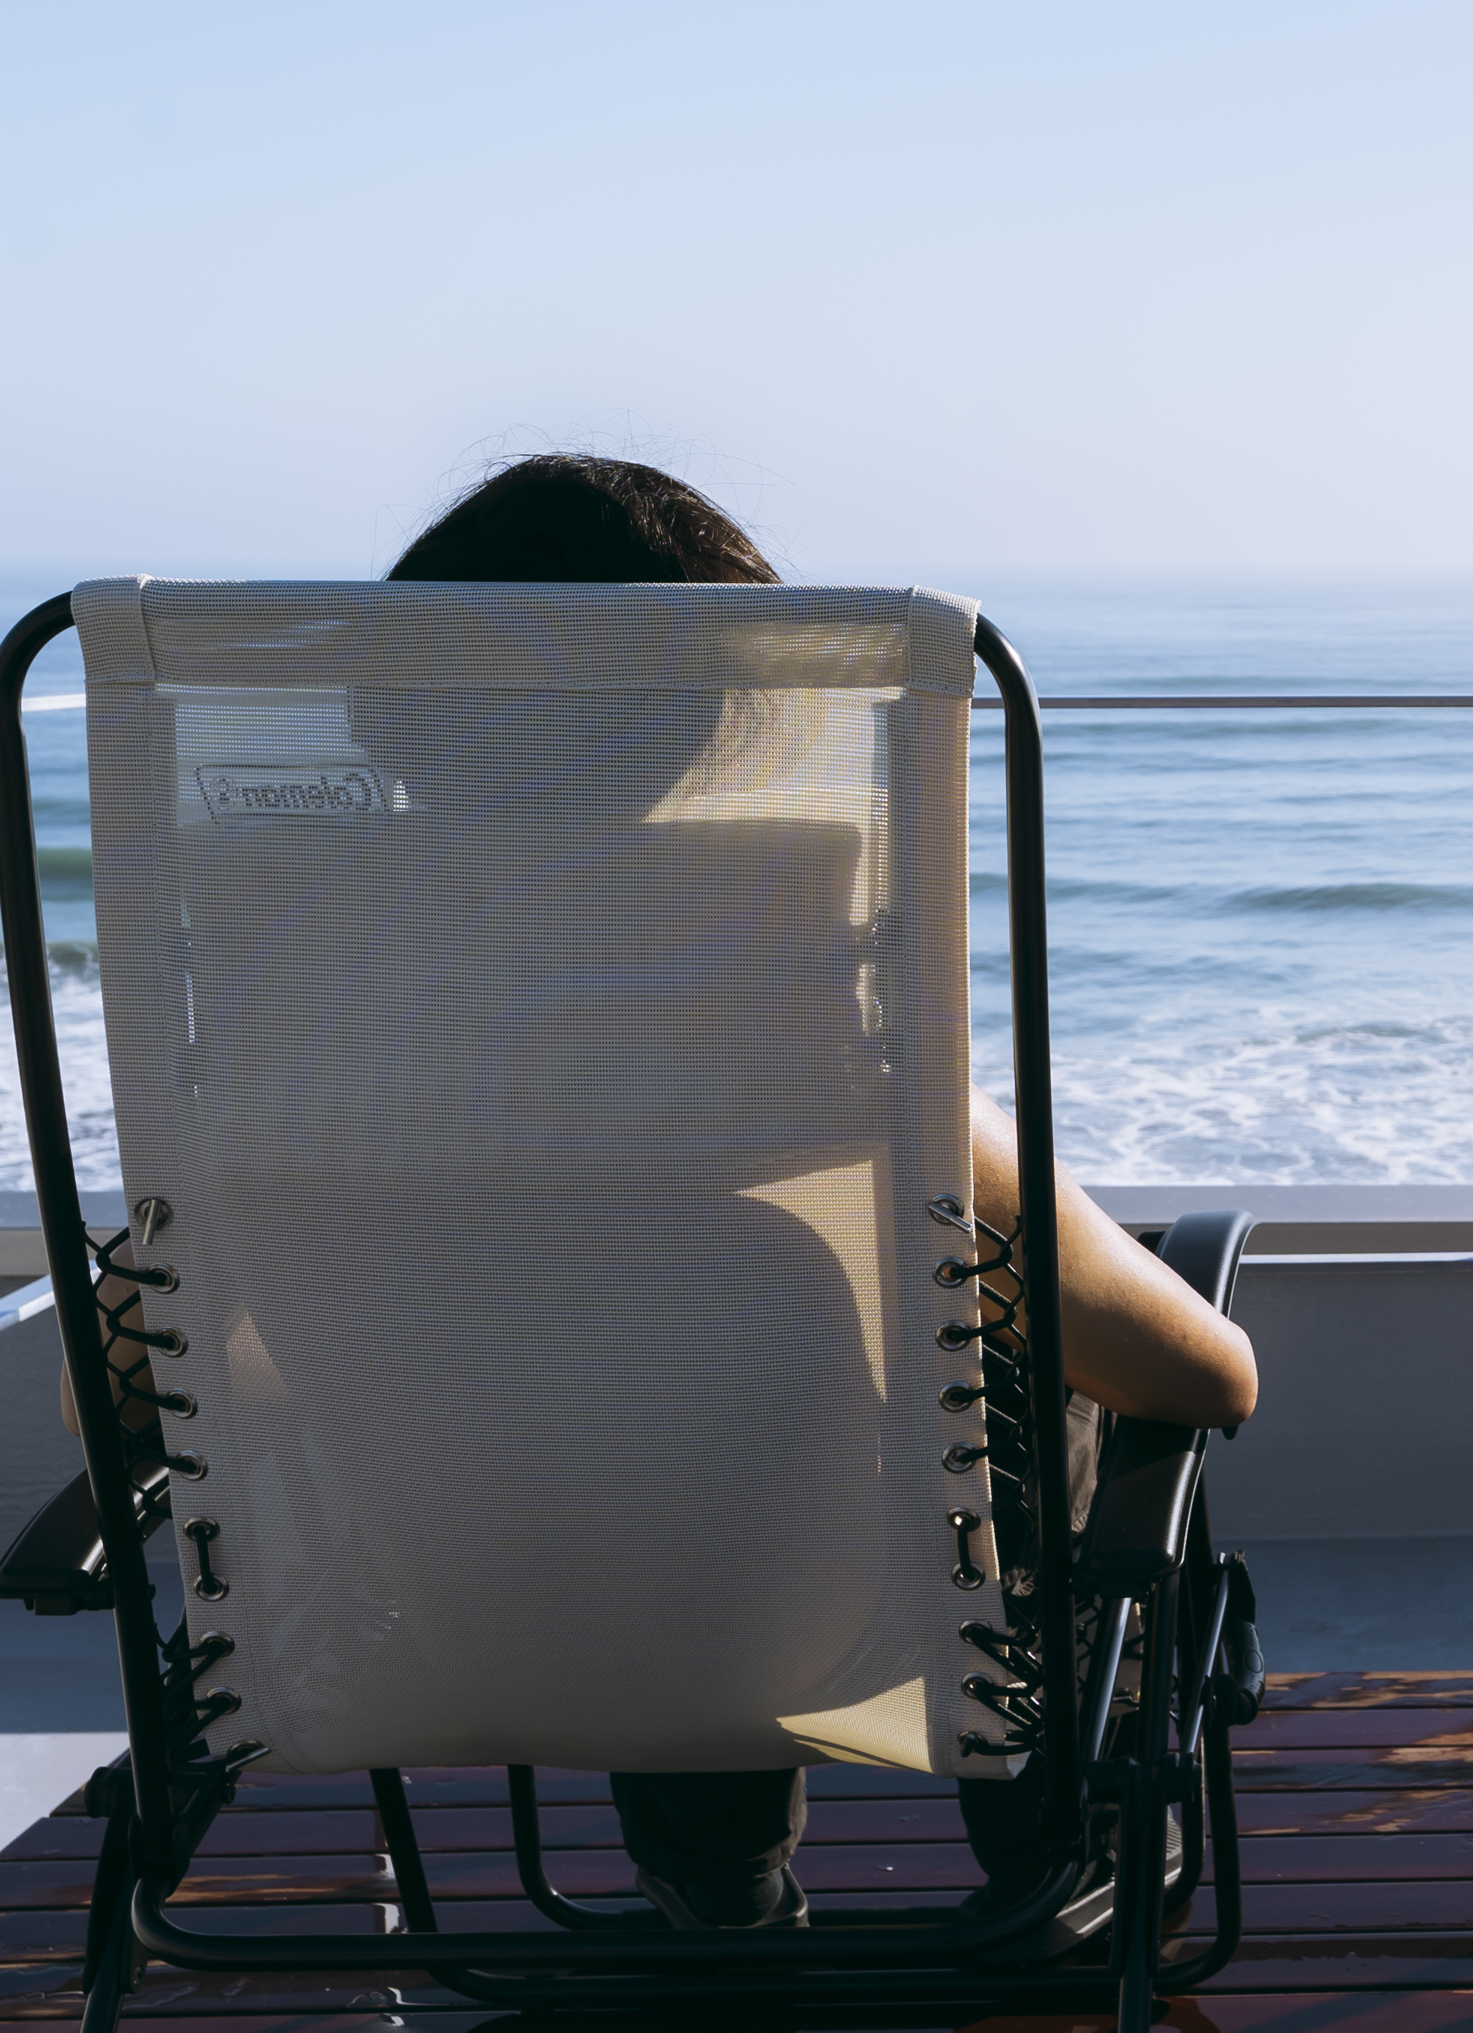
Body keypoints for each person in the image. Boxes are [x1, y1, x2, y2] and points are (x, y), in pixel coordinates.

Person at [81, 454, 1256, 1931]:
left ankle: (718, 1891)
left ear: (395, 697)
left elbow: (106, 1400)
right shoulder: (823, 1023)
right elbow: (1206, 1378)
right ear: (723, 708)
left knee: (606, 1371)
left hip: (445, 1616)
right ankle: (1059, 1846)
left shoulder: (291, 1037)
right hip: (828, 1622)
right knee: (988, 1354)